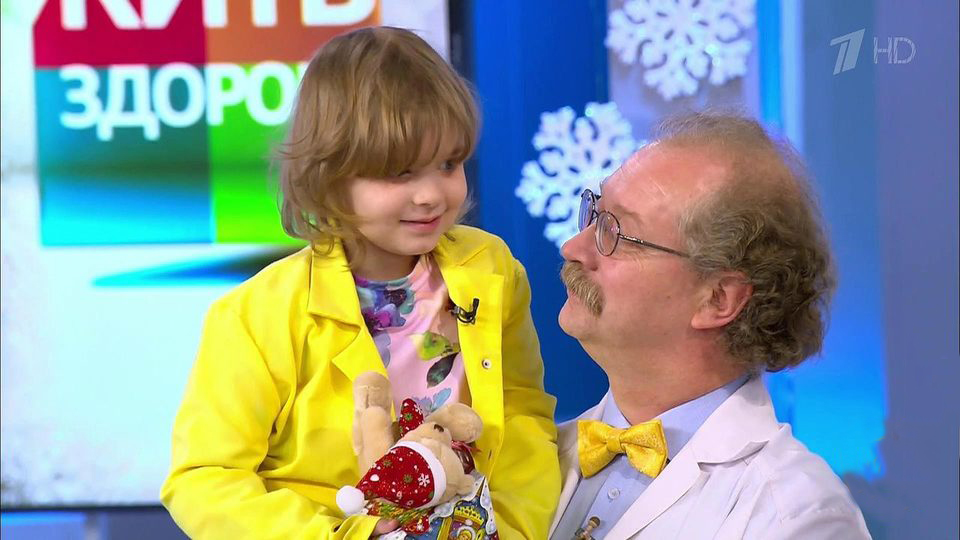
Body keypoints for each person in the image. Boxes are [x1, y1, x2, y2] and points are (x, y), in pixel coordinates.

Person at [160, 26, 560, 539]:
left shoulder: (492, 268)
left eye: (448, 163)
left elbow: (523, 414)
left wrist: (516, 528)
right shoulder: (257, 315)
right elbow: (204, 479)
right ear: (329, 177)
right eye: (400, 172)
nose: (431, 195)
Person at [548, 112, 872, 539]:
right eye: (594, 213)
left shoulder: (797, 515)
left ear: (718, 299)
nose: (573, 248)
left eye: (617, 232)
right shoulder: (531, 453)